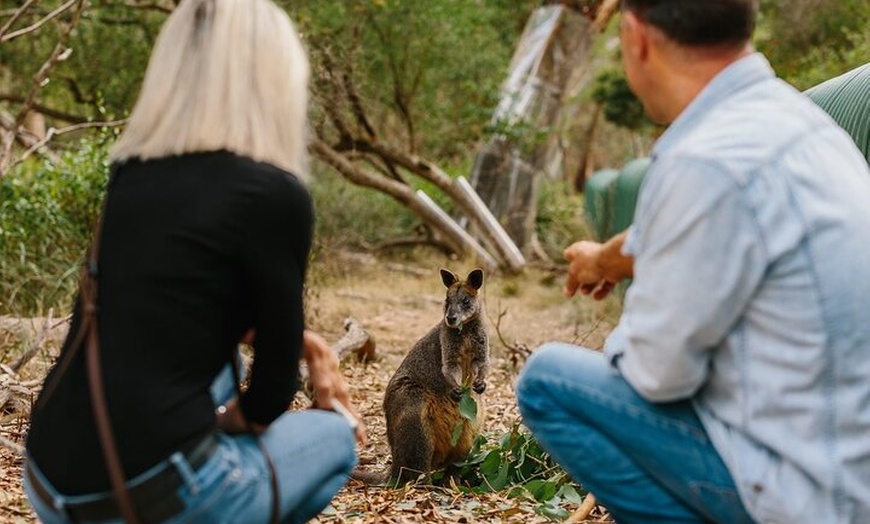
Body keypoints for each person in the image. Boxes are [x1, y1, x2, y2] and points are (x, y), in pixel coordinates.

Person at [515, 1, 870, 523]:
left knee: (547, 380)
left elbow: (658, 375)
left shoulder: (704, 158)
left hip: (806, 495)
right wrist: (609, 259)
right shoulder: (808, 128)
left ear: (636, 39)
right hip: (848, 466)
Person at [23, 0, 367, 522]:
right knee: (336, 435)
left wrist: (307, 343)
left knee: (222, 365)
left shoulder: (129, 177)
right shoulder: (274, 193)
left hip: (48, 480)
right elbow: (274, 391)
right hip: (149, 495)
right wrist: (234, 420)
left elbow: (174, 315)